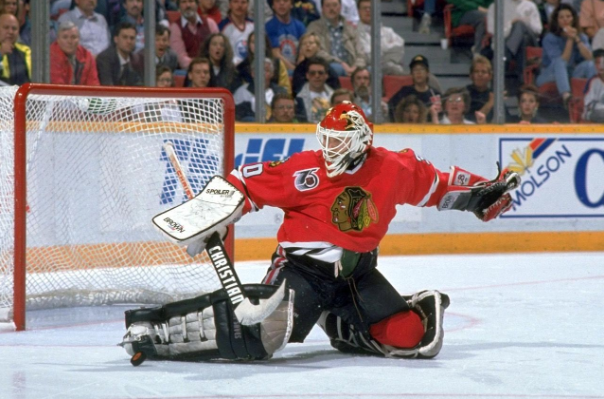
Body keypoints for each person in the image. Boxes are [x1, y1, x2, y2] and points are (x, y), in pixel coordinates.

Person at [122, 102, 519, 362]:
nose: (328, 149)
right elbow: (244, 182)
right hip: (302, 272)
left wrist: (481, 196)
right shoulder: (304, 169)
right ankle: (153, 326)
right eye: (325, 139)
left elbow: (440, 184)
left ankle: (340, 323)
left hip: (355, 275)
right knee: (259, 335)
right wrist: (211, 214)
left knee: (413, 337)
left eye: (338, 142)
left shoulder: (393, 169)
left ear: (361, 142)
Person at [536, 3, 596, 106]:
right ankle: (566, 97)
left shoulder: (581, 36)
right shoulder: (549, 38)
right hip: (550, 73)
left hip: (571, 72)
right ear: (557, 20)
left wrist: (577, 39)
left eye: (568, 16)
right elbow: (563, 61)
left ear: (573, 18)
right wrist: (569, 39)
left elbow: (590, 57)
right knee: (560, 61)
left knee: (590, 64)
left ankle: (593, 97)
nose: (565, 20)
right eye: (561, 17)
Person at [486, 0, 542, 85]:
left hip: (530, 41)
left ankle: (505, 55)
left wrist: (525, 21)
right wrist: (511, 24)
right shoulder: (495, 7)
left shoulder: (530, 6)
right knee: (522, 39)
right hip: (508, 41)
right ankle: (522, 81)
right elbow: (494, 31)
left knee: (519, 25)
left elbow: (538, 30)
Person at [306, 0, 365, 77]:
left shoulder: (350, 28)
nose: (331, 9)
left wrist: (356, 66)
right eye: (328, 6)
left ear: (340, 7)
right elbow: (317, 52)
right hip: (328, 65)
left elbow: (361, 52)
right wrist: (341, 63)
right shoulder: (314, 27)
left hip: (352, 66)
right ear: (322, 8)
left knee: (371, 70)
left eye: (334, 5)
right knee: (336, 68)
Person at [356, 0, 405, 76]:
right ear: (359, 11)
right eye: (365, 8)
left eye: (370, 8)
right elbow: (367, 57)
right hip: (366, 71)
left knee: (395, 69)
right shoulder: (354, 33)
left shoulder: (389, 31)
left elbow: (398, 51)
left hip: (389, 69)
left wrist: (378, 53)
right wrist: (386, 49)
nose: (368, 11)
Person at [387, 55, 442, 122]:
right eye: (415, 70)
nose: (419, 73)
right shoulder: (404, 92)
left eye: (422, 69)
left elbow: (441, 116)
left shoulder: (435, 94)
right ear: (411, 74)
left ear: (427, 72)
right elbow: (391, 108)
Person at [169, 0, 219, 70]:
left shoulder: (210, 24)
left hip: (212, 71)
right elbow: (181, 59)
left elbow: (218, 50)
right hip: (188, 74)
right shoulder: (175, 28)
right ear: (179, 6)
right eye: (183, 2)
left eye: (191, 1)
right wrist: (202, 68)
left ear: (197, 4)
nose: (188, 5)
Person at [50, 21, 100, 85]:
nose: (69, 41)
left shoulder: (87, 56)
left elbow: (94, 84)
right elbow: (57, 86)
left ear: (79, 39)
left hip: (82, 94)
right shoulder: (51, 55)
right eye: (65, 37)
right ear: (58, 40)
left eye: (73, 37)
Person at [96, 21, 143, 86]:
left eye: (132, 38)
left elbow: (139, 85)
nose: (129, 41)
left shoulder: (136, 60)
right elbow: (107, 87)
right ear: (116, 39)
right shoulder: (105, 58)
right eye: (125, 37)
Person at [265, 0, 306, 73]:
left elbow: (303, 52)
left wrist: (299, 69)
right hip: (278, 70)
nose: (281, 4)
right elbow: (276, 54)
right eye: (277, 1)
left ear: (291, 4)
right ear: (273, 6)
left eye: (285, 1)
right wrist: (295, 70)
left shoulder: (299, 26)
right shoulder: (269, 27)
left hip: (297, 67)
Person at [294, 56, 335, 122]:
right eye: (312, 73)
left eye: (320, 73)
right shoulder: (298, 99)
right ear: (307, 75)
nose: (317, 76)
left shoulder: (334, 96)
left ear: (326, 75)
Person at [218, 0, 254, 66]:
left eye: (243, 2)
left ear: (248, 5)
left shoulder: (254, 26)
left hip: (251, 68)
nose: (239, 5)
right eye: (235, 1)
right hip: (231, 69)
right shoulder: (222, 27)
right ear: (230, 4)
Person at [0, 13, 30, 85]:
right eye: (6, 27)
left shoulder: (26, 51)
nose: (10, 32)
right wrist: (1, 53)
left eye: (14, 29)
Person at [465, 55, 494, 123]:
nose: (480, 74)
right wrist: (490, 103)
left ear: (490, 76)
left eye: (483, 72)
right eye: (476, 71)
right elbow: (470, 121)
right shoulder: (465, 94)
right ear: (471, 75)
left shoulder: (493, 94)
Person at [583, 48, 604, 122]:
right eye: (597, 63)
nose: (601, 66)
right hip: (594, 112)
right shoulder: (593, 81)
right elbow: (588, 104)